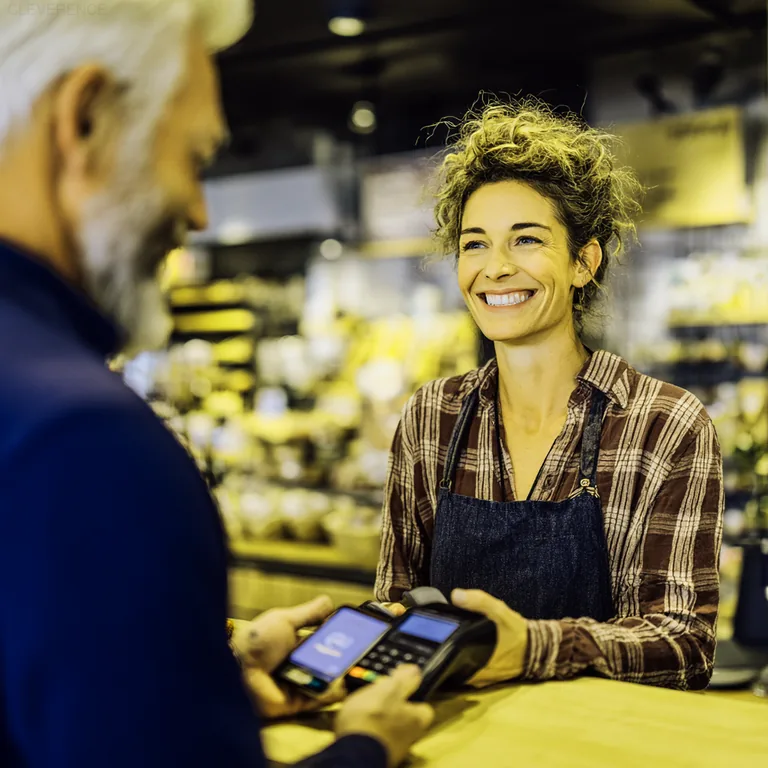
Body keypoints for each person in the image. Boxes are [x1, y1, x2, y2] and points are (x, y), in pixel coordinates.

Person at [0, 3, 432, 767]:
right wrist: (366, 746)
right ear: (86, 118)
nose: (197, 212)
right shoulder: (86, 441)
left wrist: (197, 669)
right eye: (194, 158)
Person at [375, 99, 724, 691]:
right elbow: (395, 600)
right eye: (475, 244)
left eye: (527, 240)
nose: (496, 268)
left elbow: (684, 644)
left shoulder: (663, 425)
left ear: (583, 261)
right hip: (449, 735)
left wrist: (535, 647)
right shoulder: (432, 416)